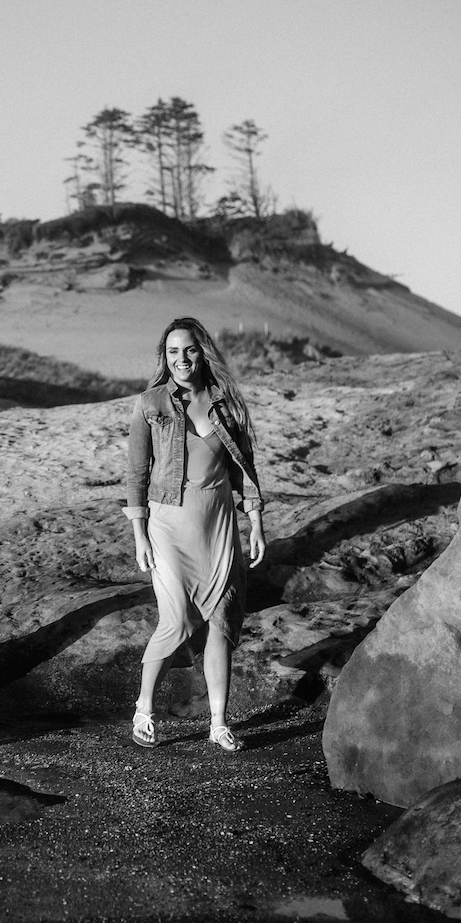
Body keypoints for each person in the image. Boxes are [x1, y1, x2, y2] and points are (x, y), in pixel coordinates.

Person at [123, 317, 265, 750]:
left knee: (220, 624)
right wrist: (140, 534)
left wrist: (255, 522)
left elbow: (245, 470)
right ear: (164, 358)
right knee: (178, 621)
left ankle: (219, 723)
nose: (181, 359)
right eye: (172, 352)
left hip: (217, 523)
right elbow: (135, 475)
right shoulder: (150, 404)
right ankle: (144, 706)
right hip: (168, 525)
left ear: (203, 352)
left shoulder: (228, 405)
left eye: (189, 350)